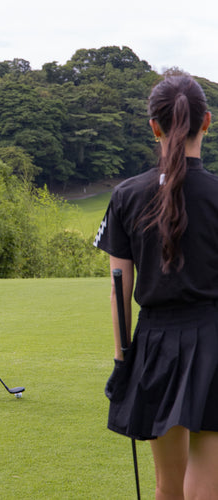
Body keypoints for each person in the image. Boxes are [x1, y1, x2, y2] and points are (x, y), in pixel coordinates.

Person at [94, 75, 218, 499]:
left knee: (168, 487)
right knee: (208, 486)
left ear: (154, 127)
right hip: (214, 339)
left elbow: (118, 289)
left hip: (154, 344)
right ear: (207, 122)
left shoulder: (126, 195)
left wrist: (121, 360)